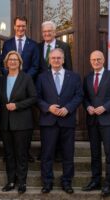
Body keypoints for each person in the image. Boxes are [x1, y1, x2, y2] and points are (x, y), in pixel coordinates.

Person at [36, 48, 83, 194]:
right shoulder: (42, 77)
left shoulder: (74, 77)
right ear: (49, 61)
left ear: (63, 60)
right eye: (53, 58)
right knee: (47, 154)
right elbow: (37, 98)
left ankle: (67, 182)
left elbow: (79, 95)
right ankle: (47, 182)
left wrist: (68, 108)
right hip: (48, 121)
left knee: (68, 154)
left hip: (67, 121)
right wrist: (48, 107)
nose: (56, 60)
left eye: (59, 58)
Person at [82, 50, 110, 197]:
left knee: (109, 153)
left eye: (98, 59)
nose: (96, 62)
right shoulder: (87, 78)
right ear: (90, 61)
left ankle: (109, 183)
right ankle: (96, 180)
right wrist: (88, 107)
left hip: (108, 121)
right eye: (93, 60)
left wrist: (105, 107)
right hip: (92, 121)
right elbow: (84, 97)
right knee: (94, 153)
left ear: (103, 60)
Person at [0, 51, 37, 194]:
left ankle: (22, 182)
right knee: (9, 154)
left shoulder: (26, 78)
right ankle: (10, 181)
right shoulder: (1, 79)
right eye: (10, 60)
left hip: (22, 122)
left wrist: (17, 105)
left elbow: (33, 97)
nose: (12, 62)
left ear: (20, 63)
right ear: (6, 63)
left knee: (21, 153)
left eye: (15, 60)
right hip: (5, 123)